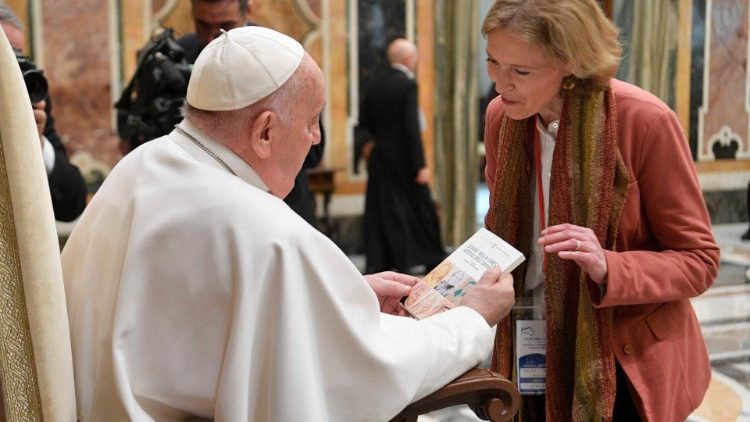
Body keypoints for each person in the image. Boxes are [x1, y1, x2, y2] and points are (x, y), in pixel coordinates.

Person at [61, 26, 516, 421]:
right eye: (312, 121)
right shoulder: (265, 230)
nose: (316, 138)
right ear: (264, 131)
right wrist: (472, 320)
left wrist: (341, 293)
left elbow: (192, 317)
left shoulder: (141, 165)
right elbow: (368, 369)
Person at [481, 1, 720, 421]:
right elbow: (499, 233)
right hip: (526, 342)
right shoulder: (502, 117)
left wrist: (609, 266)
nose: (501, 84)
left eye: (521, 71)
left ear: (571, 63)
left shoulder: (645, 120)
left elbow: (699, 261)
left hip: (620, 361)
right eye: (492, 62)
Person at [177, 0, 323, 225]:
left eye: (225, 25)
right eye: (202, 25)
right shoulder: (178, 54)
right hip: (205, 209)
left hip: (280, 209)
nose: (212, 37)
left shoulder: (280, 56)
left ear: (248, 10)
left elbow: (315, 149)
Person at [360, 38, 446, 274]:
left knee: (383, 210)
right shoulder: (407, 84)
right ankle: (431, 256)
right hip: (405, 160)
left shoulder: (375, 83)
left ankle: (384, 260)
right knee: (421, 209)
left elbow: (364, 120)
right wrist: (420, 166)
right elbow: (411, 128)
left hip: (380, 158)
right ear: (409, 59)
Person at [0, 2, 86, 222]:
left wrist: (38, 145)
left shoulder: (33, 99)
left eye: (20, 57)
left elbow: (72, 204)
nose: (15, 71)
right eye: (6, 58)